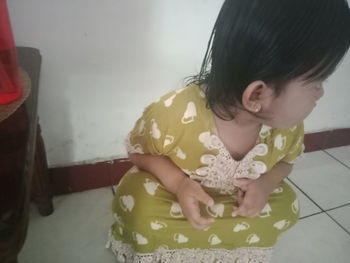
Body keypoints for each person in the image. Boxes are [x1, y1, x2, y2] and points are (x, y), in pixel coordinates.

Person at [106, 0, 350, 262]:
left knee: (288, 206)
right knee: (136, 201)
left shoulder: (286, 127)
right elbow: (138, 154)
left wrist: (265, 185)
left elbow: (286, 162)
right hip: (178, 198)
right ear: (257, 93)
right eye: (316, 82)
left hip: (235, 206)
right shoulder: (176, 112)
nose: (321, 93)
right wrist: (178, 184)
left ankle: (224, 244)